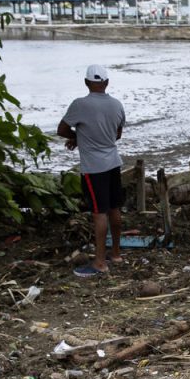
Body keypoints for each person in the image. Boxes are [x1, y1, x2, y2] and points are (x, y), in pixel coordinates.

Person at [58, 64, 125, 278]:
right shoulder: (116, 105)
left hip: (94, 168)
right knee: (114, 209)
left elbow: (61, 129)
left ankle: (99, 262)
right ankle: (115, 254)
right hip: (114, 162)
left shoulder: (80, 105)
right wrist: (83, 138)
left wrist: (77, 137)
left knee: (99, 214)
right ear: (106, 83)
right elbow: (117, 135)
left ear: (87, 82)